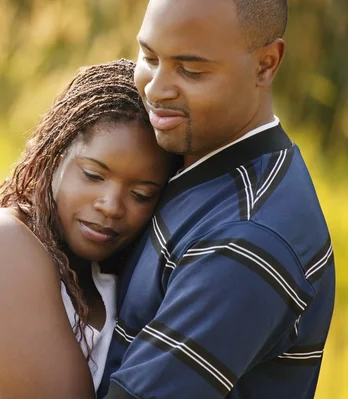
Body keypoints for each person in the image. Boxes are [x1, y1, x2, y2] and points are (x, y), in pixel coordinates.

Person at [98, 1, 336, 398]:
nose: (156, 89)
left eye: (191, 70)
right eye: (149, 57)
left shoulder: (246, 240)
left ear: (266, 64)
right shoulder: (175, 159)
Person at [0, 59, 173, 398]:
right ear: (51, 157)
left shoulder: (106, 278)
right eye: (93, 175)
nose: (111, 205)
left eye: (141, 194)